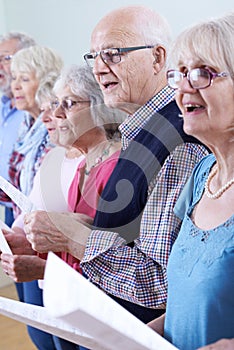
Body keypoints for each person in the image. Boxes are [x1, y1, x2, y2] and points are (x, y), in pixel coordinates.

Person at [24, 5, 209, 324]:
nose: (98, 68)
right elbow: (134, 235)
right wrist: (83, 227)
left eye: (112, 54)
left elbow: (160, 284)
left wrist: (73, 239)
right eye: (93, 56)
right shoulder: (139, 131)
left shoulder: (178, 141)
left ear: (157, 58)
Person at [1, 64, 125, 350]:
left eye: (67, 104)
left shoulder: (115, 167)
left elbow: (104, 260)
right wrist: (25, 245)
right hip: (70, 301)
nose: (55, 115)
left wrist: (43, 269)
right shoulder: (84, 163)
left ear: (98, 109)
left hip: (100, 311)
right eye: (55, 104)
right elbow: (70, 247)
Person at [148, 13, 234, 350]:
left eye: (202, 73)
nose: (183, 88)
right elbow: (185, 308)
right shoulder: (202, 176)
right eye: (179, 74)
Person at [9, 45, 63, 350]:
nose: (14, 85)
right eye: (14, 78)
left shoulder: (52, 131)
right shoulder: (27, 127)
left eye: (23, 78)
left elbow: (47, 195)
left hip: (44, 233)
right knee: (37, 325)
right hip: (23, 222)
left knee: (49, 330)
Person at [0, 32, 36, 226]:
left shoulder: (37, 110)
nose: (0, 66)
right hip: (8, 205)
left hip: (33, 208)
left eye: (6, 58)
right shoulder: (2, 106)